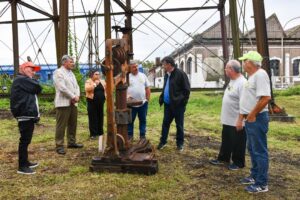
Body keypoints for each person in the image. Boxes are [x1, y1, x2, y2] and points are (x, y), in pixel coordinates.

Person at [237, 51, 271, 193]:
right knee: (252, 149)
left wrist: (251, 114)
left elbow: (265, 98)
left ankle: (262, 183)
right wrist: (242, 117)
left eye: (244, 61)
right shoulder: (251, 77)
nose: (243, 63)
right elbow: (248, 99)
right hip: (251, 118)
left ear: (250, 62)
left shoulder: (261, 74)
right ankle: (255, 175)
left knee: (259, 151)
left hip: (256, 118)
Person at [209, 60, 247, 170]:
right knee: (226, 140)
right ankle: (223, 158)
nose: (225, 70)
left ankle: (238, 162)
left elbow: (244, 104)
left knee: (238, 142)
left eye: (226, 68)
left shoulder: (242, 83)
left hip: (237, 120)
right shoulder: (232, 81)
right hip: (228, 119)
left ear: (232, 69)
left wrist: (240, 120)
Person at [10, 61, 42, 175]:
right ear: (23, 68)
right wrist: (34, 81)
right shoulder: (21, 79)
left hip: (27, 114)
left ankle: (25, 162)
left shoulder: (23, 80)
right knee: (24, 141)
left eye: (35, 70)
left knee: (26, 140)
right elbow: (38, 87)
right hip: (24, 114)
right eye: (31, 69)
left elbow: (35, 89)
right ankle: (22, 166)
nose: (33, 71)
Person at [157, 56, 190, 151]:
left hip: (178, 106)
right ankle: (163, 141)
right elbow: (166, 87)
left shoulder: (180, 74)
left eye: (164, 64)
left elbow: (186, 90)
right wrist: (162, 97)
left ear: (169, 64)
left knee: (179, 125)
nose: (163, 66)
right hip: (168, 105)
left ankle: (180, 144)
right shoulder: (166, 75)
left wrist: (182, 102)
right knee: (165, 123)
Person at [53, 55, 83, 155]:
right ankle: (59, 145)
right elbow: (62, 88)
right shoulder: (58, 72)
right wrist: (73, 97)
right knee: (61, 125)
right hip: (63, 103)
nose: (73, 63)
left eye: (73, 61)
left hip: (73, 103)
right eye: (70, 61)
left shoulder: (71, 73)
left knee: (72, 123)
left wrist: (77, 96)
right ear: (64, 62)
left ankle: (71, 142)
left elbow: (77, 86)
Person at [127, 60, 151, 141]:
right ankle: (130, 135)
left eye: (137, 66)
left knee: (143, 120)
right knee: (130, 120)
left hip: (143, 103)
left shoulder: (143, 75)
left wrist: (147, 99)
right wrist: (127, 97)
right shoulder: (127, 77)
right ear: (129, 68)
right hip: (131, 104)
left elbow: (147, 88)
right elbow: (123, 90)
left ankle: (142, 136)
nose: (136, 68)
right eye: (134, 67)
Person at [85, 69, 106, 144]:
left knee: (100, 117)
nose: (98, 75)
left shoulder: (102, 81)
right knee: (93, 117)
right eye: (96, 74)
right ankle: (93, 134)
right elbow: (87, 89)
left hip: (101, 103)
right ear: (92, 75)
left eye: (98, 74)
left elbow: (107, 88)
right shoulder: (89, 81)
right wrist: (95, 85)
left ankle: (100, 132)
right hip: (92, 102)